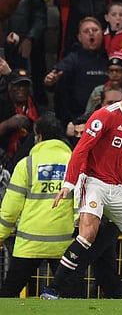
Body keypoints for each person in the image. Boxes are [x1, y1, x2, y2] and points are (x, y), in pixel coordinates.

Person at [39, 71, 122, 300]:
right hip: (92, 181)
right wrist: (69, 182)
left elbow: (119, 166)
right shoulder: (105, 115)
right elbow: (81, 149)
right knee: (88, 234)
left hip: (115, 187)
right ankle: (52, 289)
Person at [0, 115, 74, 297]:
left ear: (38, 136)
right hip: (63, 244)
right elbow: (81, 202)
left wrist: (0, 234)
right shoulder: (74, 162)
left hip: (29, 244)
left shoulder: (27, 164)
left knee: (8, 296)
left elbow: (10, 208)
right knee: (72, 299)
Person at [44, 16, 109, 128]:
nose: (91, 33)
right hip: (78, 121)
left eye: (94, 30)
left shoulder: (111, 57)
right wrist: (51, 81)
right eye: (86, 31)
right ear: (79, 37)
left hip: (108, 118)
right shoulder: (73, 59)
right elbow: (58, 73)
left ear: (102, 33)